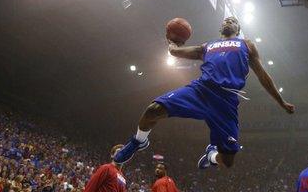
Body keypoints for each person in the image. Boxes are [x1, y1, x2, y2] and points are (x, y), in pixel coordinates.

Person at [113, 17, 295, 168]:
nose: (228, 21)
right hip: (201, 91)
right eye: (226, 20)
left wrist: (281, 102)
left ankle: (211, 157)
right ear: (220, 28)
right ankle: (139, 141)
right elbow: (175, 52)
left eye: (233, 21)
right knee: (152, 110)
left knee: (229, 160)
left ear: (238, 29)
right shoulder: (208, 46)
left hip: (226, 101)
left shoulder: (246, 45)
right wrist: (171, 42)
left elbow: (263, 76)